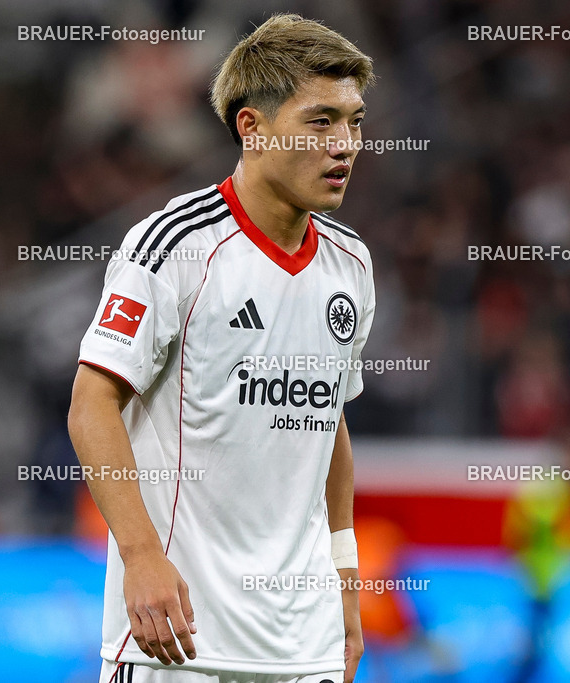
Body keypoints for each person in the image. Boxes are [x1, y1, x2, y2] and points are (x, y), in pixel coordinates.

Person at [67, 13, 376, 683]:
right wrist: (141, 554)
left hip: (305, 645)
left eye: (354, 121)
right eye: (321, 121)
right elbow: (92, 404)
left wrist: (345, 577)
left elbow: (330, 429)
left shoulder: (351, 265)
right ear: (252, 127)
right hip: (179, 636)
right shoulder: (174, 245)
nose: (345, 143)